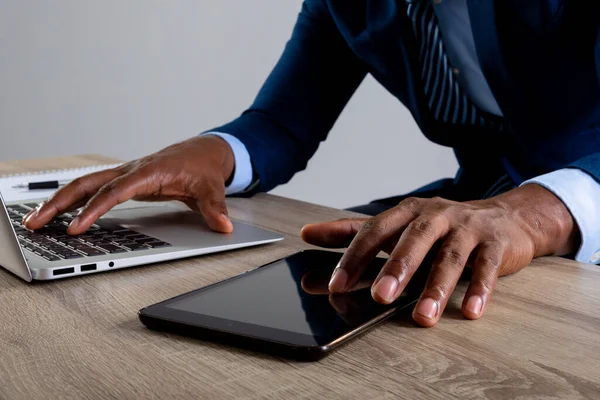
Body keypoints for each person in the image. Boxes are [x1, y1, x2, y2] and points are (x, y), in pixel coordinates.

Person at [23, 0, 600, 327]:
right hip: (475, 197)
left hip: (577, 212)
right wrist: (208, 154)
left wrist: (532, 217)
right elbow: (283, 123)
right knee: (301, 264)